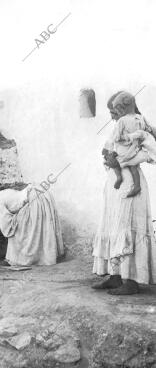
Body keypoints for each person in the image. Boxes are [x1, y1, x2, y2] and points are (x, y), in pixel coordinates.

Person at [92, 91, 156, 295]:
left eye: (114, 111)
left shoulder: (141, 127)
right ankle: (115, 276)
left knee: (127, 226)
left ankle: (132, 280)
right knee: (114, 225)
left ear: (123, 108)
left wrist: (121, 161)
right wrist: (111, 161)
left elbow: (148, 153)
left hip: (131, 187)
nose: (112, 116)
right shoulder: (120, 127)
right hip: (116, 184)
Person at [0, 181, 65, 266]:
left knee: (17, 231)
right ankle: (47, 256)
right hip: (42, 194)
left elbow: (7, 228)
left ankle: (18, 260)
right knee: (39, 228)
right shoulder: (4, 190)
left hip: (34, 202)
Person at [102, 91, 156, 197]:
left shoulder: (137, 125)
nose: (112, 118)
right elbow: (111, 144)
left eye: (115, 113)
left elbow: (146, 150)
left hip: (129, 183)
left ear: (123, 111)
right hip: (116, 184)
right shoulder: (134, 122)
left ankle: (134, 186)